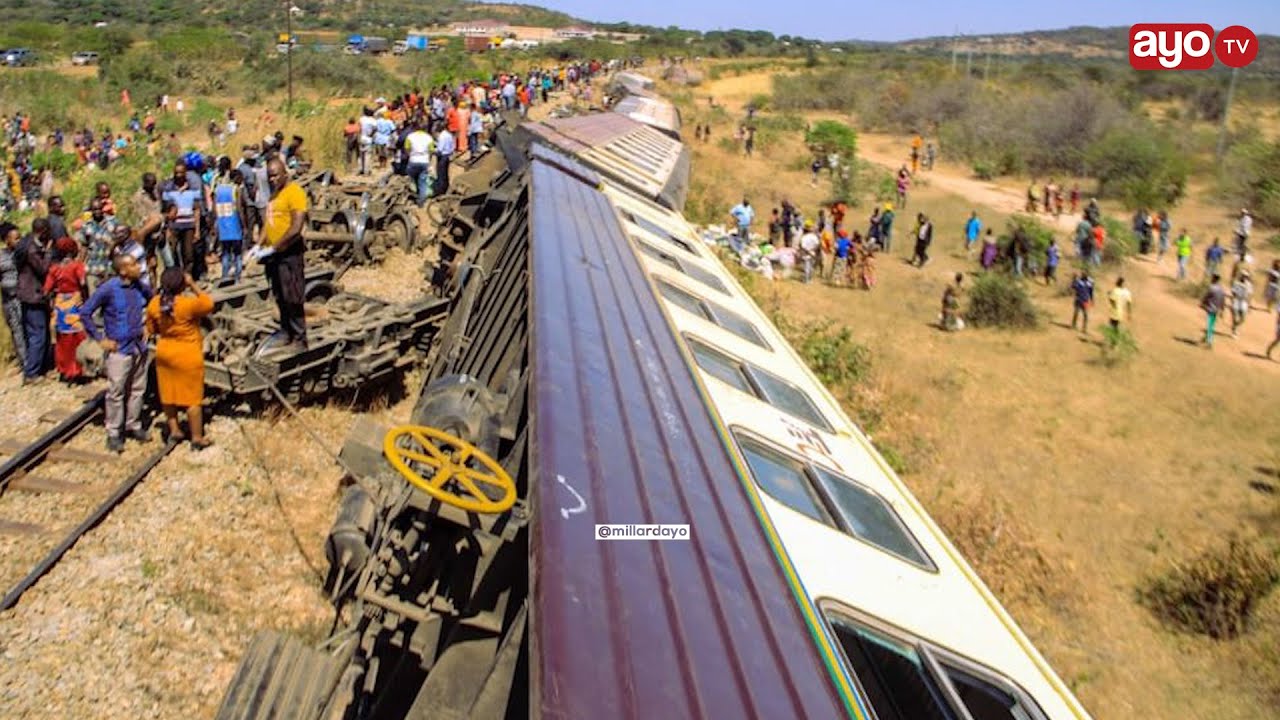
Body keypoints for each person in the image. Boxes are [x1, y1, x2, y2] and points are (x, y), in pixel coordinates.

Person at [81, 254, 152, 452]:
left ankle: (133, 425)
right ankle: (113, 432)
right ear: (123, 270)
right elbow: (85, 312)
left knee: (137, 388)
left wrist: (149, 324)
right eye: (134, 265)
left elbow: (153, 301)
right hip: (119, 348)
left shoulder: (140, 286)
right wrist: (99, 339)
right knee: (116, 392)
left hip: (138, 346)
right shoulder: (109, 289)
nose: (139, 267)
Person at [146, 269, 214, 449]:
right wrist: (192, 284)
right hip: (188, 354)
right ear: (182, 284)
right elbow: (208, 303)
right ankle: (197, 438)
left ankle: (175, 430)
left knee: (168, 395)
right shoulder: (188, 304)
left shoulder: (154, 304)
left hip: (165, 352)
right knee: (192, 399)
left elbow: (151, 329)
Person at [250, 158, 308, 350]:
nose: (272, 179)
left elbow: (296, 227)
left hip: (289, 253)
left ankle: (300, 338)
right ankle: (285, 331)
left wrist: (276, 247)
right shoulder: (274, 195)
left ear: (284, 173)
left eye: (275, 175)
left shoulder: (295, 192)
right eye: (269, 176)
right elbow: (268, 224)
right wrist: (258, 245)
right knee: (279, 294)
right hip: (273, 255)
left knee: (292, 295)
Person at [42, 236, 89, 382]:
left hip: (60, 304)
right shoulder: (77, 266)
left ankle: (64, 369)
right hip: (75, 302)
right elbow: (83, 283)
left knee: (63, 339)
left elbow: (46, 290)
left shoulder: (55, 269)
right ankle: (77, 370)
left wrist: (52, 305)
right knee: (77, 338)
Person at [14, 218, 52, 384]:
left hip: (25, 293)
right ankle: (32, 373)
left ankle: (37, 367)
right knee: (38, 334)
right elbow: (42, 269)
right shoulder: (31, 249)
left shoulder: (24, 243)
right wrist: (48, 253)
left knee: (32, 333)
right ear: (43, 231)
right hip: (33, 295)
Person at [213, 159, 247, 285]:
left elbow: (214, 208)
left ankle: (225, 276)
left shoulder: (218, 189)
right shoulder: (235, 189)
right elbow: (239, 209)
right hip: (234, 224)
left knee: (225, 252)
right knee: (237, 253)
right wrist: (244, 225)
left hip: (222, 225)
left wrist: (216, 224)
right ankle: (237, 277)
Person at [1, 222, 27, 369]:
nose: (19, 241)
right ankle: (24, 362)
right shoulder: (1, 256)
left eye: (20, 237)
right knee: (17, 331)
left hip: (25, 298)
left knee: (28, 329)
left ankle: (34, 363)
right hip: (9, 300)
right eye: (16, 238)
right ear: (7, 240)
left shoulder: (24, 253)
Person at [404, 123, 434, 207]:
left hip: (413, 161)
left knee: (412, 180)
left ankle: (413, 196)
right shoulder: (428, 137)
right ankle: (421, 202)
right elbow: (431, 150)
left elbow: (407, 148)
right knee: (423, 182)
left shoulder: (410, 136)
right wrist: (428, 159)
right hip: (424, 161)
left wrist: (410, 155)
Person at [1201, 274, 1226, 349]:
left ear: (1214, 279)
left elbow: (1206, 297)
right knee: (1212, 324)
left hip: (1210, 308)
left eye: (1212, 278)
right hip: (1216, 310)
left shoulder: (1211, 288)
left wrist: (1202, 303)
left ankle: (1209, 342)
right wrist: (1222, 310)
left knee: (1210, 325)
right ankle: (1206, 337)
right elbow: (1223, 300)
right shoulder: (1221, 289)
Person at [434, 123, 456, 197]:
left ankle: (440, 191)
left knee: (440, 174)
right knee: (445, 173)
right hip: (447, 156)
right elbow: (453, 147)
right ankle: (446, 188)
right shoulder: (449, 135)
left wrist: (432, 151)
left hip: (442, 157)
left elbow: (439, 150)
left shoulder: (442, 136)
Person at [1230, 268, 1253, 338]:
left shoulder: (1249, 285)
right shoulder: (1236, 283)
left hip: (1244, 302)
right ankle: (1234, 331)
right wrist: (1232, 301)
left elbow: (1249, 295)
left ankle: (1235, 326)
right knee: (1235, 317)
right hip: (1237, 300)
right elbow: (1233, 293)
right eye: (1243, 275)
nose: (1244, 277)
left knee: (1242, 319)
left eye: (1246, 276)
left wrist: (1249, 305)